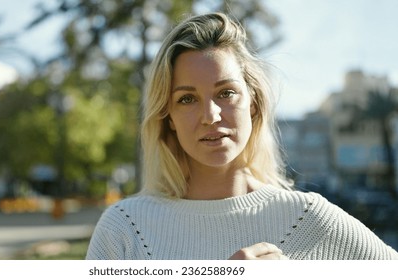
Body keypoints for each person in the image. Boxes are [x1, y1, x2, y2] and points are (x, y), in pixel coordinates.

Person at [86, 12, 398, 260]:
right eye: (187, 99)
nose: (210, 115)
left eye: (226, 93)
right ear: (167, 118)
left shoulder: (305, 218)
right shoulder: (125, 228)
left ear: (253, 103)